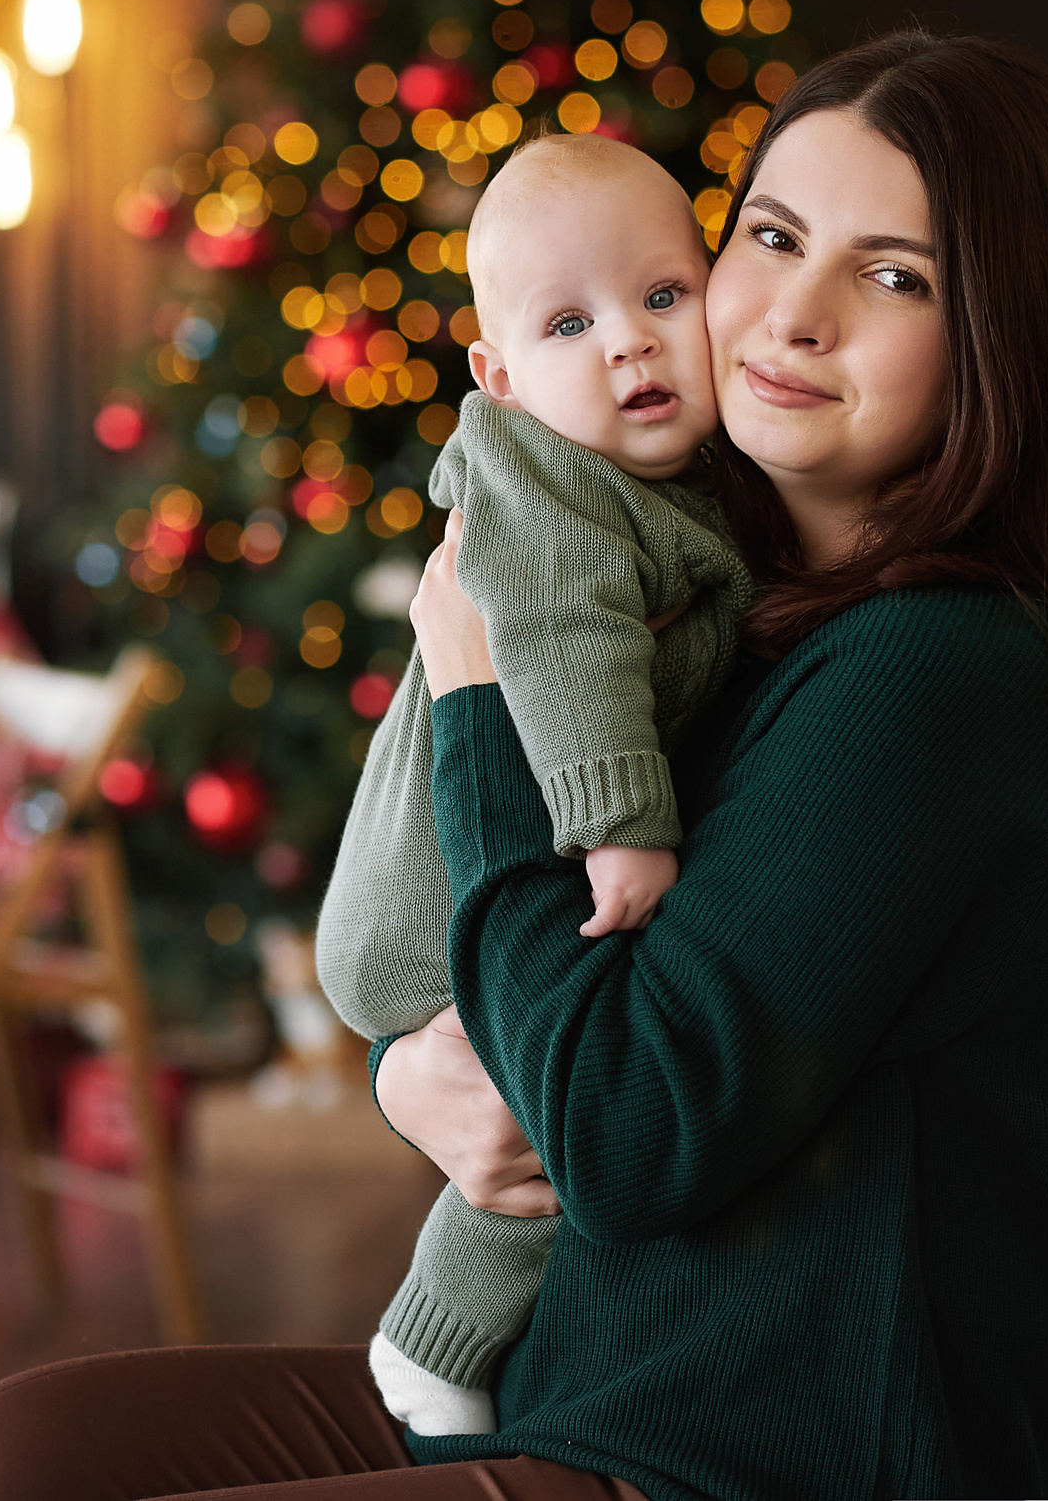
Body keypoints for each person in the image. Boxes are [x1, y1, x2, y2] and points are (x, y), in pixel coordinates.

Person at [0, 28, 1048, 1501]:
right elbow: (537, 1011)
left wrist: (474, 691)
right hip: (575, 1376)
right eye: (771, 237)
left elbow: (624, 1130)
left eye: (895, 275)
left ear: (1005, 340)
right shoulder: (720, 583)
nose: (796, 312)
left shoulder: (943, 672)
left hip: (747, 1451)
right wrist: (404, 1072)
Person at [312, 131, 754, 1438]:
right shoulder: (542, 480)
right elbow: (563, 645)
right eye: (573, 322)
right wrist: (621, 829)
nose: (632, 342)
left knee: (547, 1105)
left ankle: (440, 1345)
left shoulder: (675, 488)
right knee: (549, 1110)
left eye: (664, 296)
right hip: (425, 896)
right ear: (500, 377)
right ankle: (430, 1344)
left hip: (473, 879)